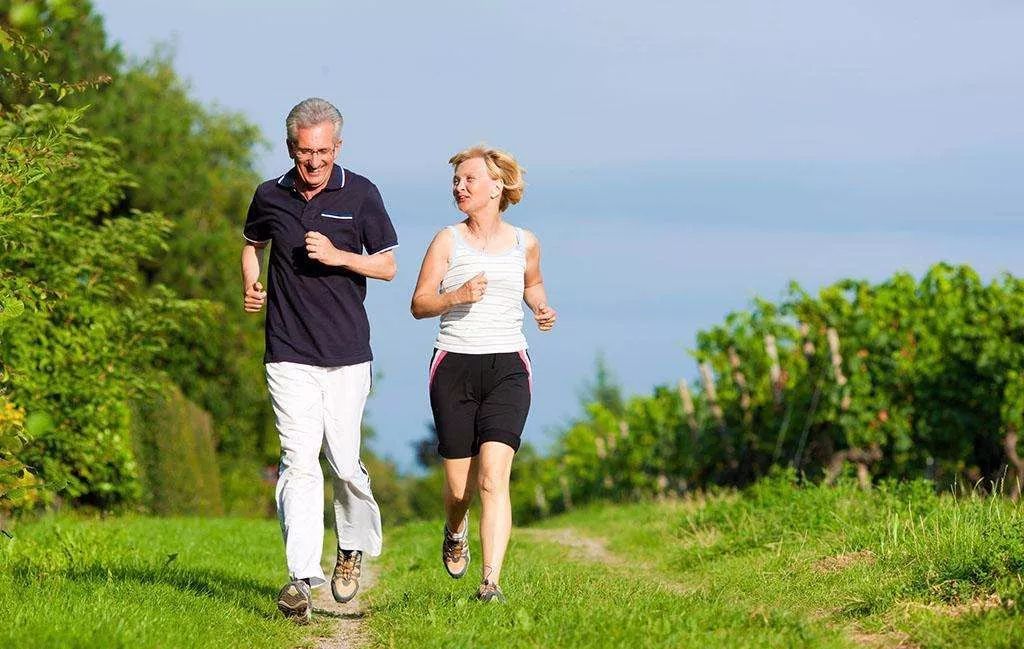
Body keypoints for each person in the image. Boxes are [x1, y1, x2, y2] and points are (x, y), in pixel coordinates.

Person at [241, 97, 398, 622]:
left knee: (345, 462)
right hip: (287, 352)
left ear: (338, 146)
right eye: (306, 153)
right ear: (291, 148)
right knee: (298, 459)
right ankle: (301, 578)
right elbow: (250, 243)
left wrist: (339, 257)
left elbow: (389, 267)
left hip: (348, 353)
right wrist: (252, 281)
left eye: (324, 153)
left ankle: (350, 548)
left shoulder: (362, 194)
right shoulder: (269, 195)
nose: (314, 164)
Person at [410, 145, 557, 603]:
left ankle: (490, 582)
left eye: (469, 179)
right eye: (456, 181)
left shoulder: (525, 242)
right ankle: (455, 528)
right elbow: (419, 303)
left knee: (494, 476)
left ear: (497, 186)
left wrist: (539, 307)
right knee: (460, 489)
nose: (459, 187)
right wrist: (457, 296)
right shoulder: (447, 241)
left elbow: (532, 283)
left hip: (508, 365)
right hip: (454, 363)